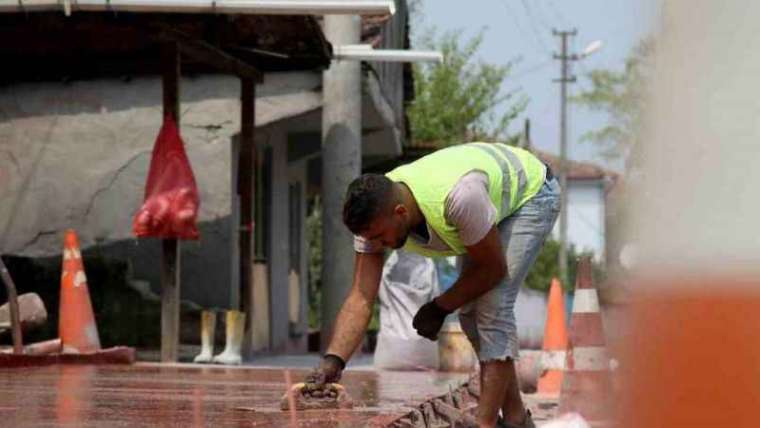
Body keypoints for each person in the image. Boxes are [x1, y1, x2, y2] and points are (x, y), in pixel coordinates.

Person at [306, 142, 560, 428]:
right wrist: (334, 361)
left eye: (379, 237)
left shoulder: (458, 199)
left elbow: (492, 269)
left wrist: (439, 306)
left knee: (492, 307)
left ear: (401, 213)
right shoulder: (375, 218)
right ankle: (515, 421)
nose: (376, 245)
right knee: (469, 314)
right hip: (484, 204)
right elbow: (361, 296)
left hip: (531, 193)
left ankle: (484, 424)